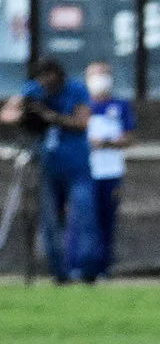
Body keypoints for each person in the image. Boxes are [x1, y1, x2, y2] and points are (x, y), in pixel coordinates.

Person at [1, 56, 99, 283]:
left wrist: (52, 117)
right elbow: (8, 114)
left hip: (76, 164)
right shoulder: (34, 90)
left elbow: (83, 122)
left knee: (83, 216)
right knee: (49, 221)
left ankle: (88, 270)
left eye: (50, 80)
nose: (46, 84)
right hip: (47, 165)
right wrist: (25, 111)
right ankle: (59, 271)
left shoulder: (76, 90)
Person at [82, 61, 135, 281]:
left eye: (104, 75)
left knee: (107, 220)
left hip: (111, 173)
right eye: (95, 75)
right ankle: (83, 266)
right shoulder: (82, 106)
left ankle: (104, 267)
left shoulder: (120, 106)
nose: (100, 80)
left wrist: (105, 143)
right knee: (85, 220)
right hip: (85, 172)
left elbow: (129, 137)